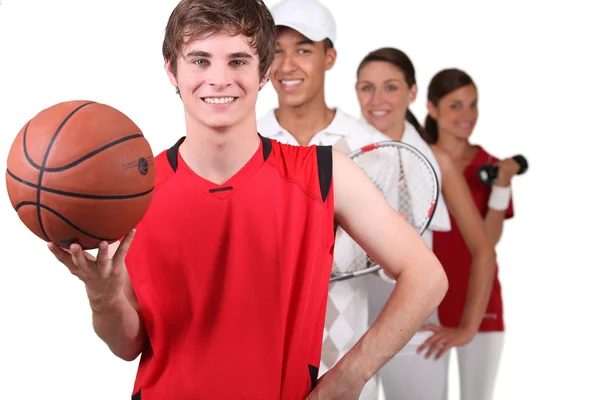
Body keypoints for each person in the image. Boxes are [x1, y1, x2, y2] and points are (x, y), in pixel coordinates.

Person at [46, 1, 448, 399]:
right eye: (200, 61)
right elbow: (127, 345)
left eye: (238, 61)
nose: (219, 79)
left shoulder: (325, 174)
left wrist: (353, 373)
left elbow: (426, 278)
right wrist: (103, 298)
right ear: (171, 69)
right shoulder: (134, 192)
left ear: (265, 72)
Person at [257, 1, 424, 399]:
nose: (286, 66)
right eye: (276, 51)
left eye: (303, 49)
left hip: (342, 364)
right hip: (259, 358)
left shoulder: (371, 147)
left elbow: (391, 269)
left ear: (329, 57)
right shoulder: (246, 143)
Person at [354, 48, 497, 400]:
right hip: (351, 330)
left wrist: (467, 328)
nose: (377, 100)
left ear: (412, 93)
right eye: (366, 88)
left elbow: (482, 250)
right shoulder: (340, 151)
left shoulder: (437, 161)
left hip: (415, 331)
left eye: (390, 87)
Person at [426, 68, 519, 400]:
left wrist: (502, 185)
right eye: (456, 106)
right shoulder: (420, 160)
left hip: (479, 305)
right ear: (432, 109)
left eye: (473, 105)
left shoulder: (492, 165)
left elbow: (487, 243)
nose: (467, 116)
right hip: (428, 304)